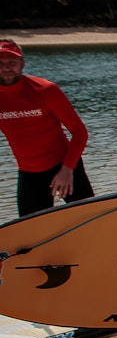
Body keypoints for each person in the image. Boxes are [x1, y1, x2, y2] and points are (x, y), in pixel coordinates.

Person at [0, 39, 94, 217]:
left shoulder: (45, 90)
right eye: (0, 63)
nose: (6, 68)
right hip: (29, 174)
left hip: (65, 166)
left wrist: (67, 169)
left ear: (22, 63)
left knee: (91, 220)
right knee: (31, 236)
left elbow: (79, 132)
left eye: (12, 62)